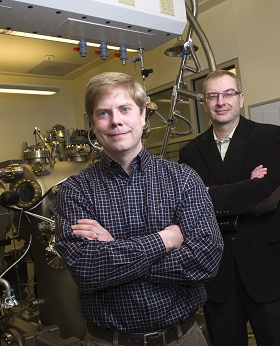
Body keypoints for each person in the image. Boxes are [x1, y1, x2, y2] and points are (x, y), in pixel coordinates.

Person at [54, 71, 223, 346]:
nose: (116, 121)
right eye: (103, 113)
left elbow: (205, 261)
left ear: (143, 115)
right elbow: (87, 270)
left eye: (124, 109)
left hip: (183, 338)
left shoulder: (183, 179)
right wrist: (163, 240)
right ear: (92, 124)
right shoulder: (76, 190)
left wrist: (115, 249)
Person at [178, 70, 280, 346]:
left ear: (241, 98)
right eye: (213, 96)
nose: (221, 101)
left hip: (268, 266)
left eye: (228, 94)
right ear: (204, 104)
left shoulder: (268, 136)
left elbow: (268, 198)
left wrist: (206, 193)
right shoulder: (190, 152)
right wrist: (245, 187)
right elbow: (187, 207)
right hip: (217, 272)